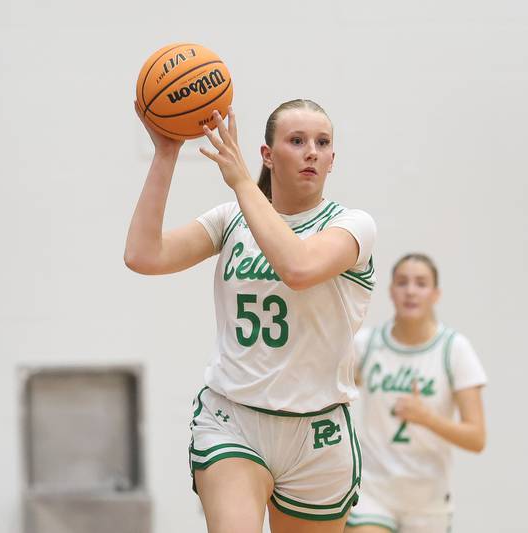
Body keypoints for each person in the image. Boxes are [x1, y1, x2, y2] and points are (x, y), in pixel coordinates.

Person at [125, 99, 377, 533]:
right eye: (296, 141)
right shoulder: (230, 220)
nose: (311, 151)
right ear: (267, 154)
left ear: (333, 159)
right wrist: (166, 154)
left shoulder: (353, 225)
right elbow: (144, 255)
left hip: (317, 431)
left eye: (322, 142)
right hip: (233, 419)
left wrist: (241, 181)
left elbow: (298, 268)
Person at [345, 253, 486, 533]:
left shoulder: (454, 349)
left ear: (435, 294)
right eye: (402, 282)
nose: (410, 290)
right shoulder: (367, 344)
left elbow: (477, 438)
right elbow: (331, 391)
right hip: (373, 491)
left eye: (420, 283)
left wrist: (427, 418)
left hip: (429, 499)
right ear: (390, 291)